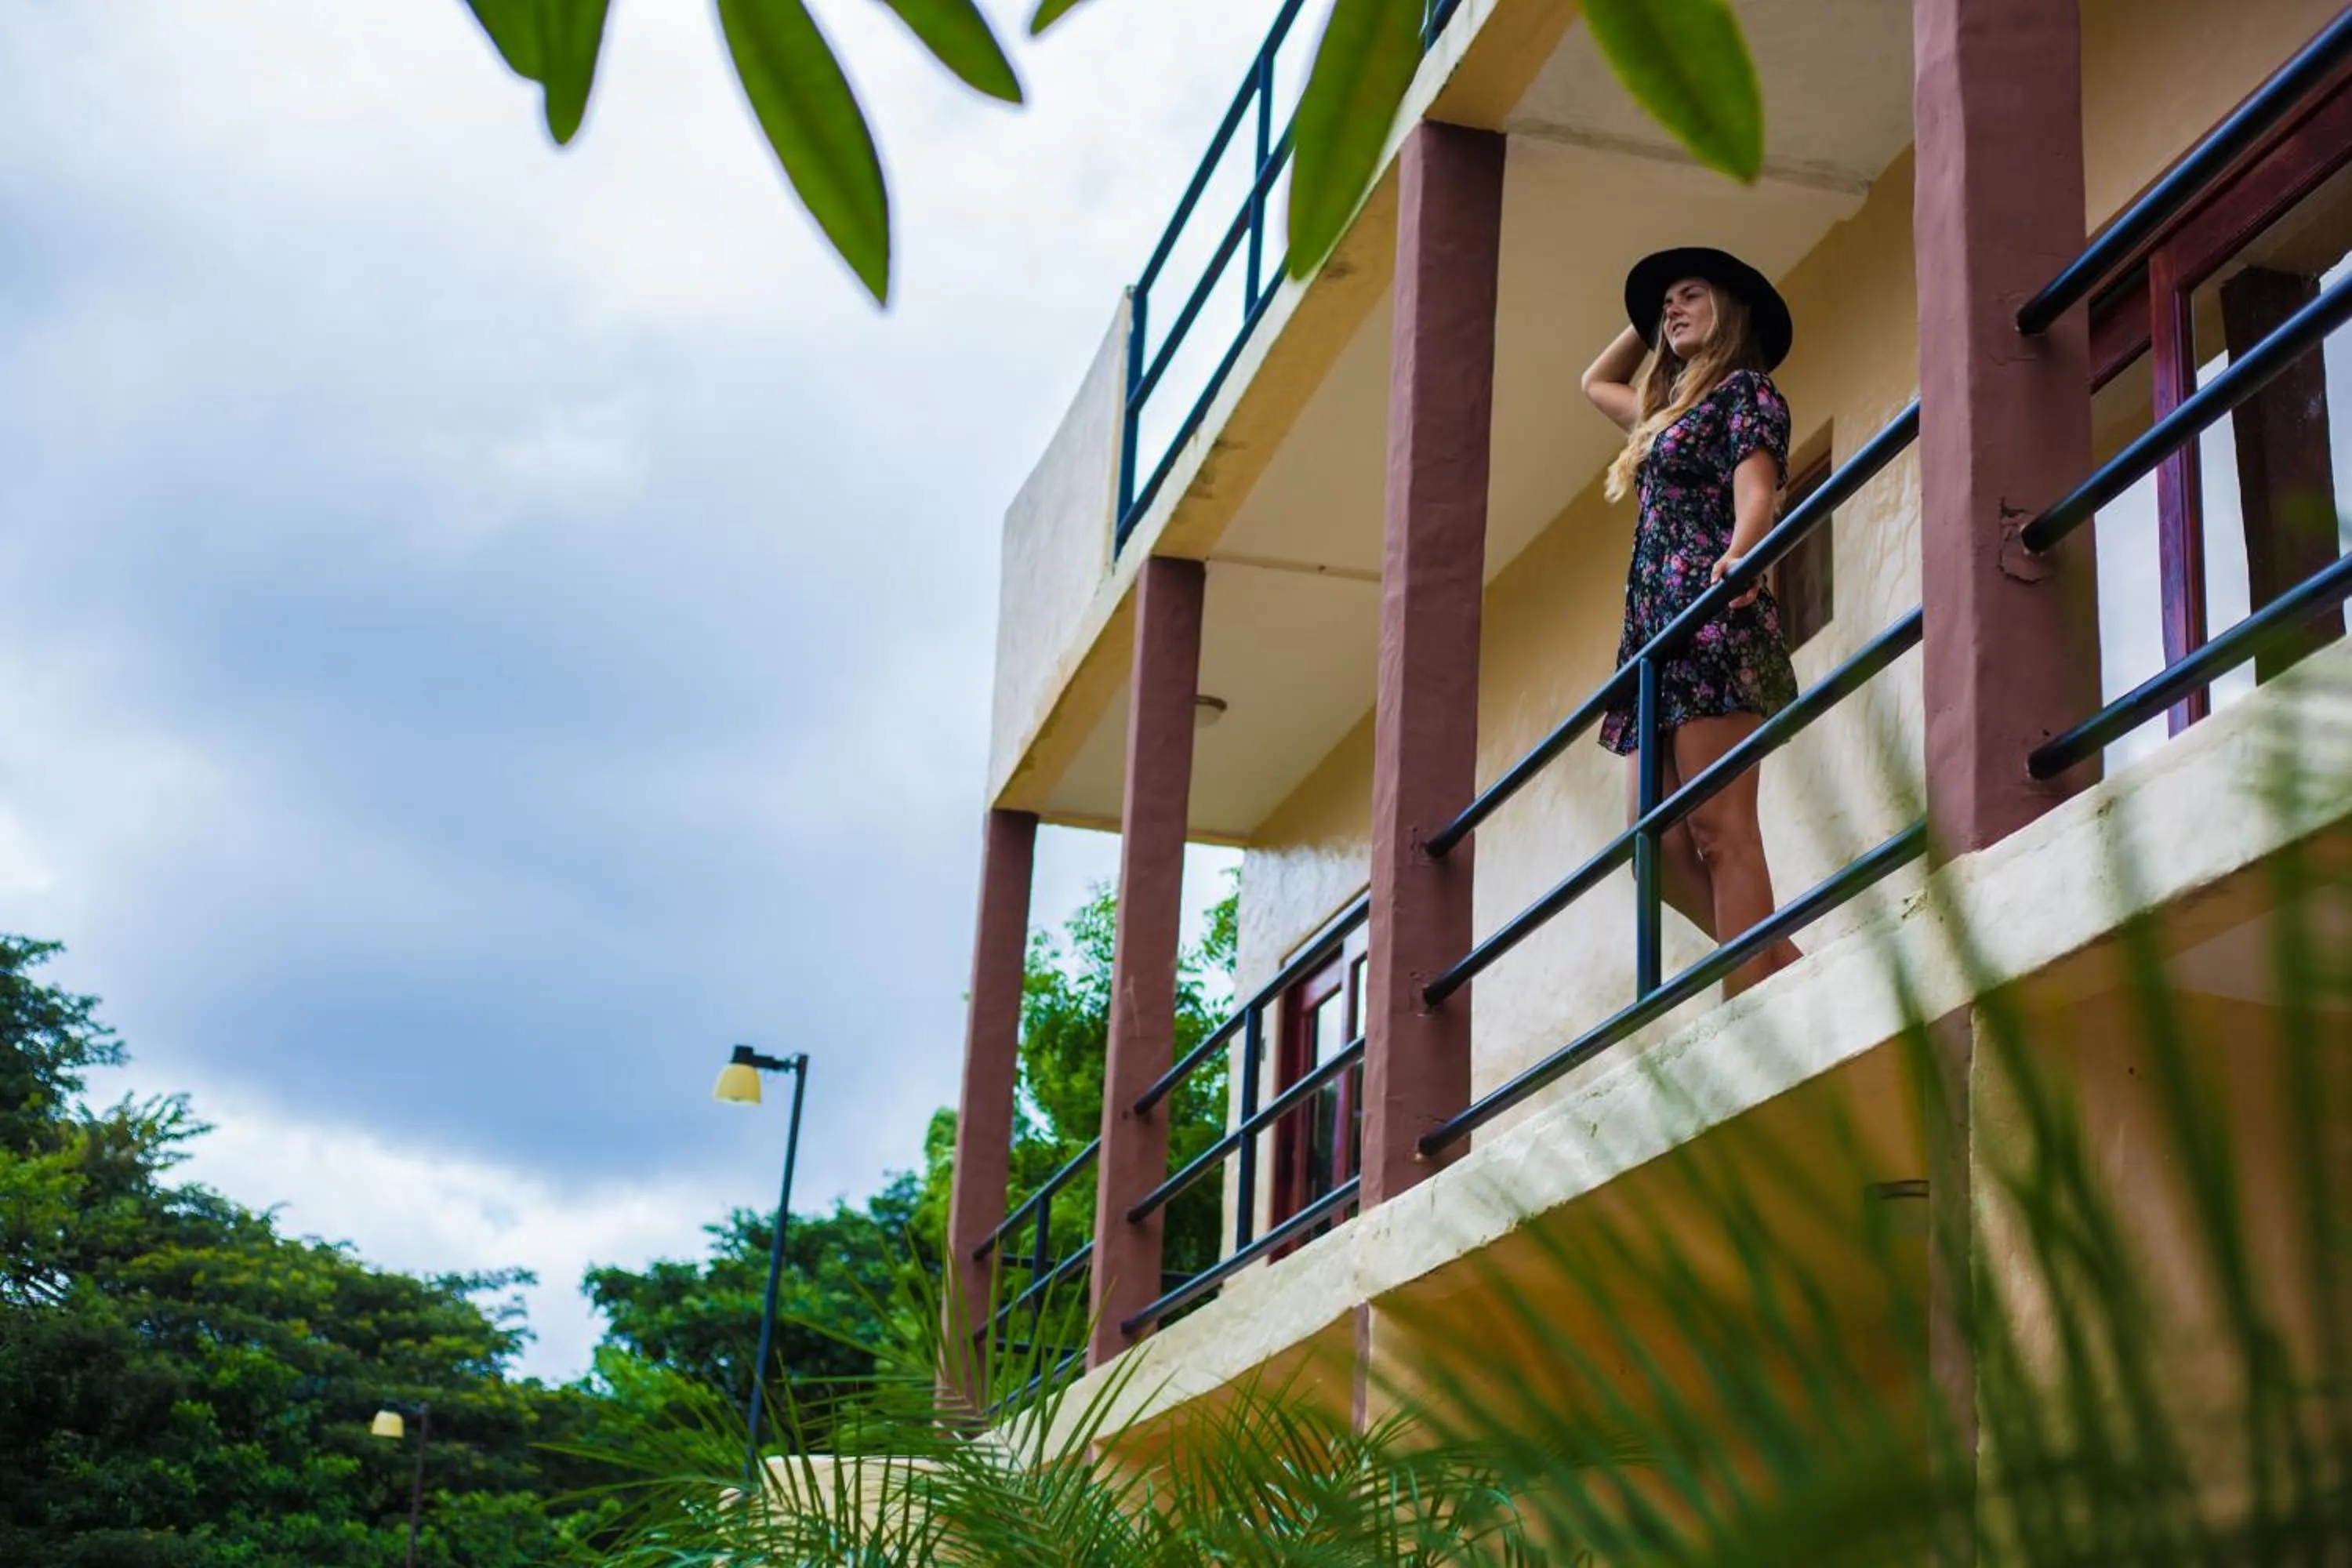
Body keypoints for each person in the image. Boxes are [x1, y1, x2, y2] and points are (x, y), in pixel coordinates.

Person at [1580, 247, 1803, 996]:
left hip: (1713, 623)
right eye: (1664, 303)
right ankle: (1783, 965)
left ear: (1729, 311)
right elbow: (1595, 383)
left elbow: (1758, 490)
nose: (1671, 310)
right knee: (1655, 849)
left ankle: (1752, 1002)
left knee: (1720, 831)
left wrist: (1743, 556)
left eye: (1690, 296)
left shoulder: (1747, 391)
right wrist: (1652, 319)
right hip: (1655, 648)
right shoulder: (1666, 415)